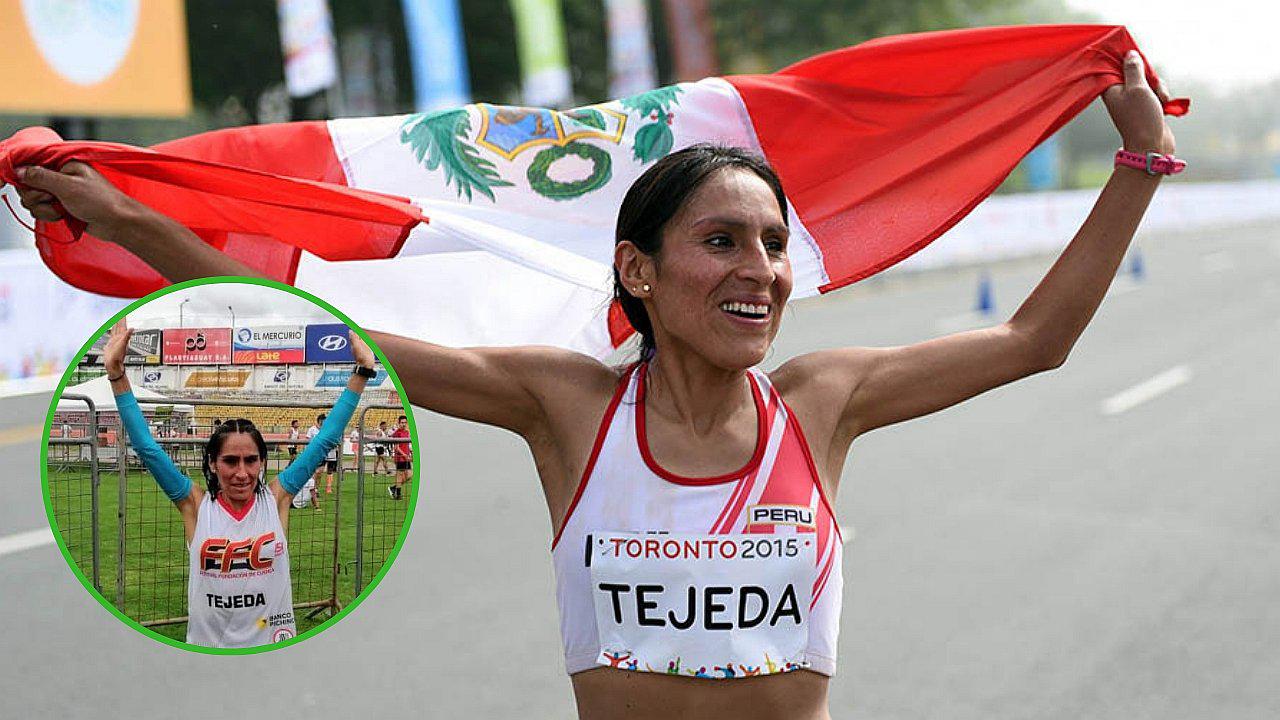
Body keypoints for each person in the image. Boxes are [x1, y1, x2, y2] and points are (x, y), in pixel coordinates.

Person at [13, 53, 1175, 718]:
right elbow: (321, 331)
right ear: (637, 270)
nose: (761, 270)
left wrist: (1137, 162)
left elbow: (1031, 339)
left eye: (773, 244)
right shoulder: (567, 408)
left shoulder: (823, 401)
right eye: (720, 241)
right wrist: (123, 216)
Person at [102, 318, 376, 648]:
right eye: (230, 461)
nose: (242, 473)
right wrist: (116, 374)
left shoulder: (277, 498)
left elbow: (325, 440)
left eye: (251, 460)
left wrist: (362, 372)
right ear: (213, 464)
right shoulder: (195, 505)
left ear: (262, 462)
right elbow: (147, 447)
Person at [388, 415, 411, 500]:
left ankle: (393, 488)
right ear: (399, 423)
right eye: (402, 423)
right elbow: (396, 447)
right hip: (400, 457)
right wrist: (404, 455)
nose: (403, 424)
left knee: (409, 476)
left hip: (406, 457)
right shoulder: (397, 433)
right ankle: (398, 495)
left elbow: (406, 445)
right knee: (400, 475)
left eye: (405, 422)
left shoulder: (407, 432)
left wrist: (409, 453)